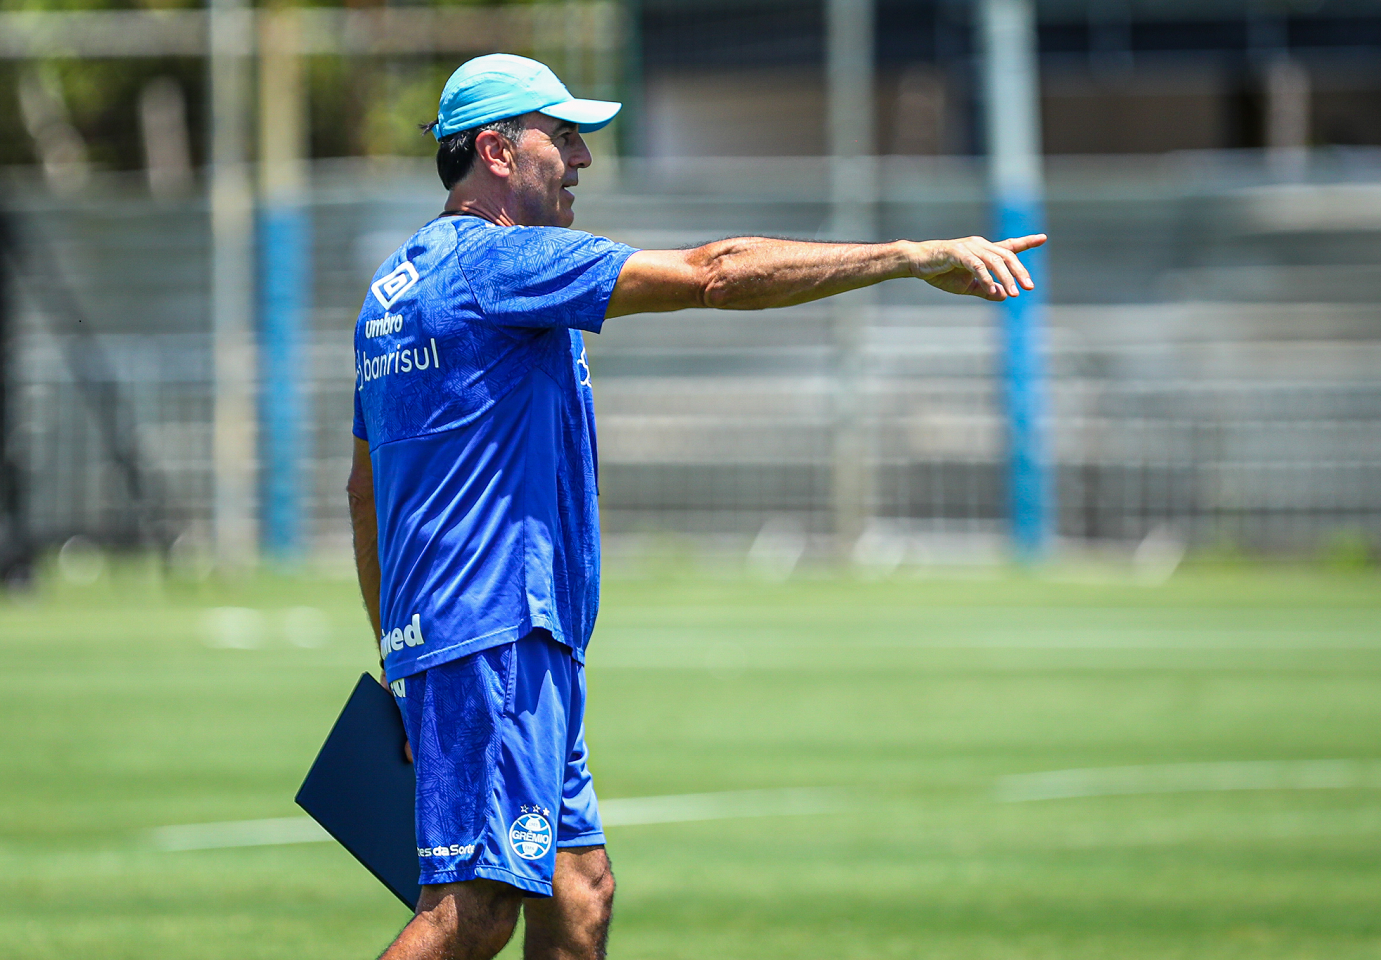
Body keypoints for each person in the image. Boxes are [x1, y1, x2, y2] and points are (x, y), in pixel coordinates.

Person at [347, 52, 1046, 960]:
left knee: (580, 894)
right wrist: (911, 257)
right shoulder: (502, 264)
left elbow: (364, 493)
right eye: (562, 138)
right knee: (473, 913)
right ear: (497, 151)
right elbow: (717, 272)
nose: (583, 161)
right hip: (494, 637)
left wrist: (397, 661)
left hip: (479, 640)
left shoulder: (392, 291)